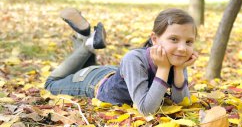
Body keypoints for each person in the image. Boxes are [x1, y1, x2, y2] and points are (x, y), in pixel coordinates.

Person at [45, 8, 198, 116]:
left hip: (114, 74)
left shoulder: (175, 57)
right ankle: (88, 44)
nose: (183, 48)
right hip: (93, 83)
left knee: (86, 67)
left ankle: (85, 35)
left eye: (189, 42)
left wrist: (178, 70)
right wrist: (164, 69)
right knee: (51, 84)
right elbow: (146, 110)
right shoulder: (135, 58)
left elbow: (182, 103)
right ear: (155, 39)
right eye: (174, 39)